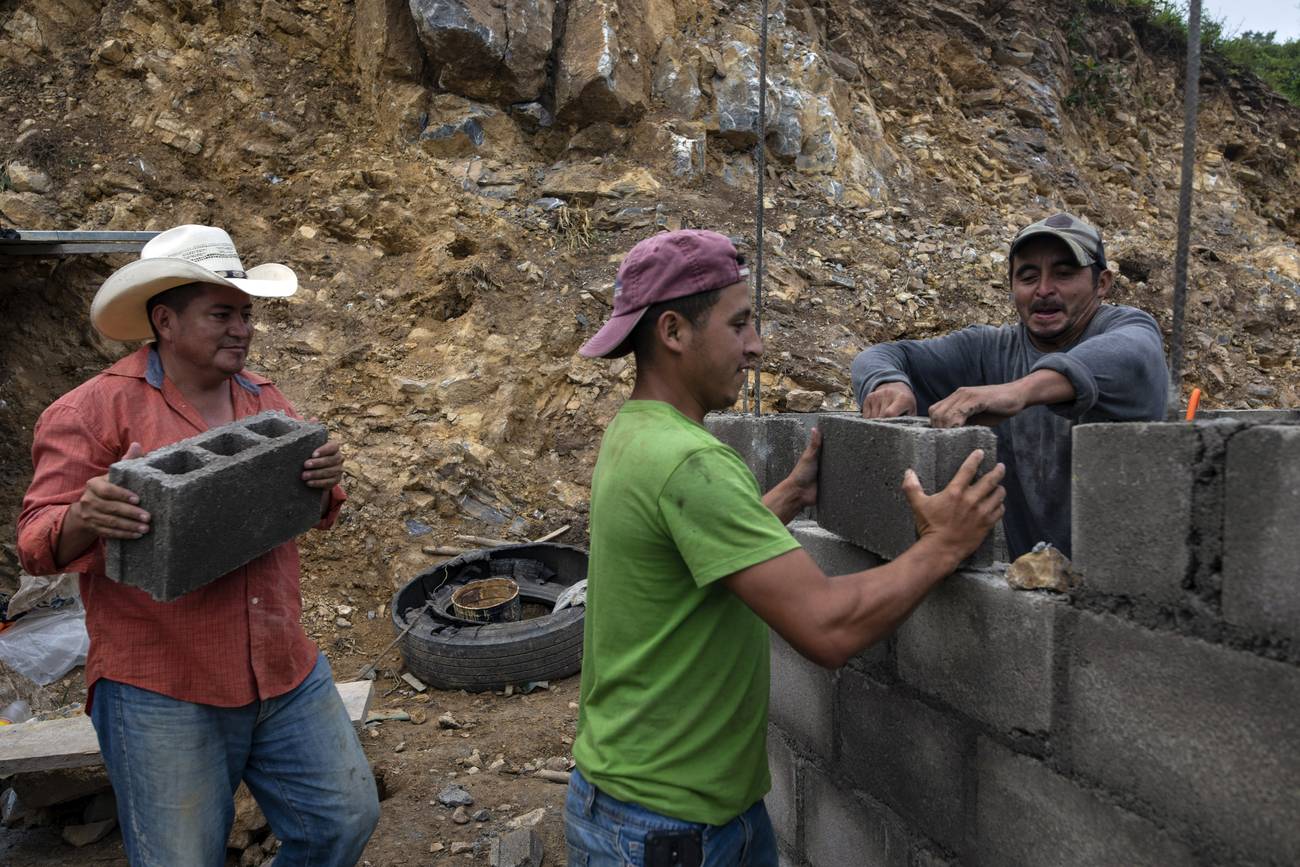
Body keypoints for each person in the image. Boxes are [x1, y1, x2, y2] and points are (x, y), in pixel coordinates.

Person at [567, 229, 1005, 866]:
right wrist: (941, 547)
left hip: (669, 808)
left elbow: (692, 561)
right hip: (665, 830)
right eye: (739, 323)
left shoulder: (636, 433)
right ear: (673, 332)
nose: (756, 346)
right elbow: (825, 628)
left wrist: (786, 500)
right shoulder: (692, 462)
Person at [16, 225, 379, 867]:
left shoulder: (264, 399)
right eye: (221, 314)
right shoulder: (91, 412)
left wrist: (325, 487)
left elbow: (311, 509)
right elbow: (37, 544)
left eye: (245, 313)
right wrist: (86, 513)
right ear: (166, 320)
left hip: (281, 666)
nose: (241, 328)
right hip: (162, 684)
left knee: (343, 820)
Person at [852, 213, 1168, 559]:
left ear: (1102, 283)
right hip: (1034, 587)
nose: (1044, 290)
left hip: (1128, 584)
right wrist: (890, 383)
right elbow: (882, 356)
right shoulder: (991, 350)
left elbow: (1130, 353)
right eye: (1028, 276)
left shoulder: (1128, 328)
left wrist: (1018, 391)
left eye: (1064, 274)